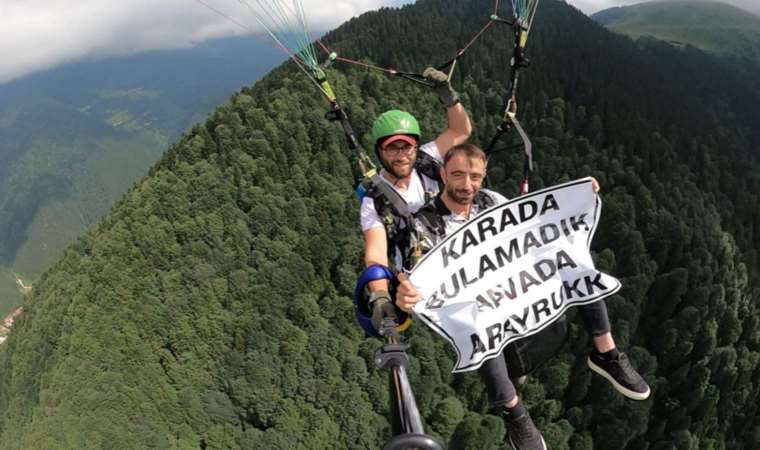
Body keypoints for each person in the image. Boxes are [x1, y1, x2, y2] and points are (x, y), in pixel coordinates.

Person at [394, 143, 651, 450]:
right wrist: (405, 291)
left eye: (475, 176)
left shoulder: (492, 201)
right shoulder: (424, 222)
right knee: (479, 327)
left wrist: (580, 196)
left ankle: (605, 352)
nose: (466, 185)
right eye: (458, 175)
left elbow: (538, 226)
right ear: (442, 174)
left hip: (513, 287)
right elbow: (414, 274)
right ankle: (513, 410)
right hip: (477, 304)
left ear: (484, 176)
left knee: (571, 259)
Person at [360, 66, 472, 316]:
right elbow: (376, 254)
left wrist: (449, 98)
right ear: (379, 152)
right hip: (423, 277)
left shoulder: (425, 160)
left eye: (407, 147)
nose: (401, 156)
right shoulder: (374, 200)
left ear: (416, 147)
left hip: (461, 252)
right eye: (392, 149)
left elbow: (461, 131)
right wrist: (380, 296)